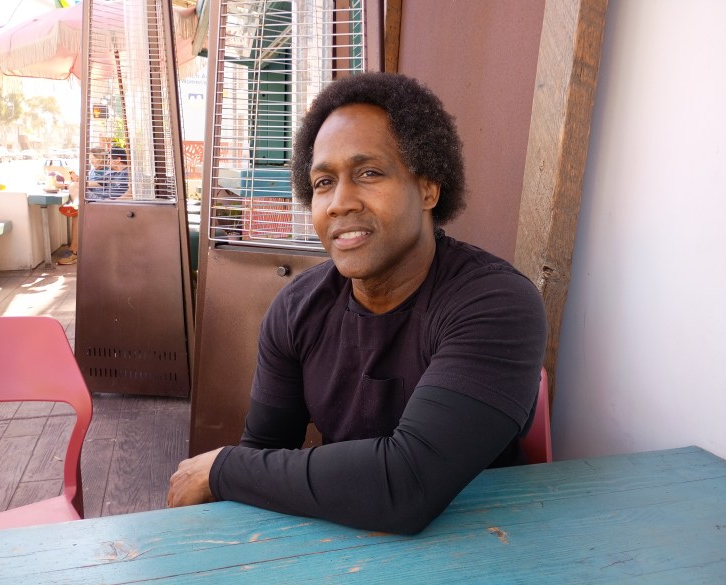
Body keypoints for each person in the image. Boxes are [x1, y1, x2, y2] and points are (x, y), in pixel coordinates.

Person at [168, 73, 547, 535]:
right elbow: (266, 449)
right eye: (324, 182)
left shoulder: (494, 304)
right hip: (346, 537)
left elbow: (406, 484)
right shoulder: (297, 310)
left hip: (488, 540)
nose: (339, 203)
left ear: (428, 188)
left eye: (369, 173)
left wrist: (221, 469)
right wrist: (237, 473)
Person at [58, 147, 109, 265]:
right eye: (90, 159)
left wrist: (77, 181)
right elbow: (86, 183)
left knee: (74, 190)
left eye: (94, 159)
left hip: (100, 201)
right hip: (90, 199)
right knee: (77, 213)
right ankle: (74, 251)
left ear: (101, 158)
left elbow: (90, 184)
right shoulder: (93, 171)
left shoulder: (106, 171)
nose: (91, 161)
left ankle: (75, 253)